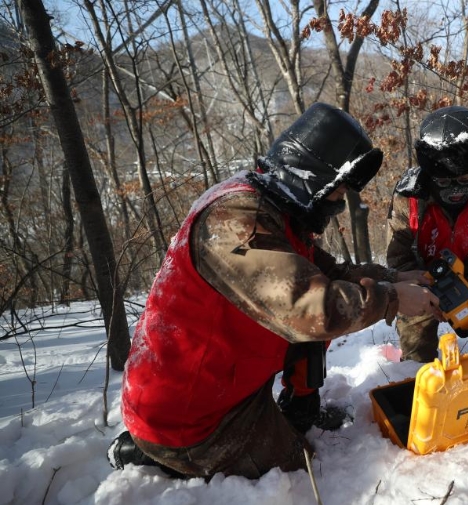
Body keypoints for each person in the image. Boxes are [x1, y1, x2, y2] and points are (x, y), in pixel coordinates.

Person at [108, 102, 440, 479]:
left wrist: (392, 279)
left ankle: (297, 412)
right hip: (187, 416)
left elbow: (329, 273)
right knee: (298, 470)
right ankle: (156, 454)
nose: (338, 205)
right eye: (336, 192)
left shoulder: (273, 208)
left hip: (228, 388)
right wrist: (392, 300)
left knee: (320, 310)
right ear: (311, 178)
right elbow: (311, 307)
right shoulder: (237, 221)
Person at [386, 105, 468, 363]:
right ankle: (419, 377)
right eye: (444, 181)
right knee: (414, 326)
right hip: (424, 280)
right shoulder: (409, 199)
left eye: (464, 178)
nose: (455, 188)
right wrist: (431, 293)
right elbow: (398, 259)